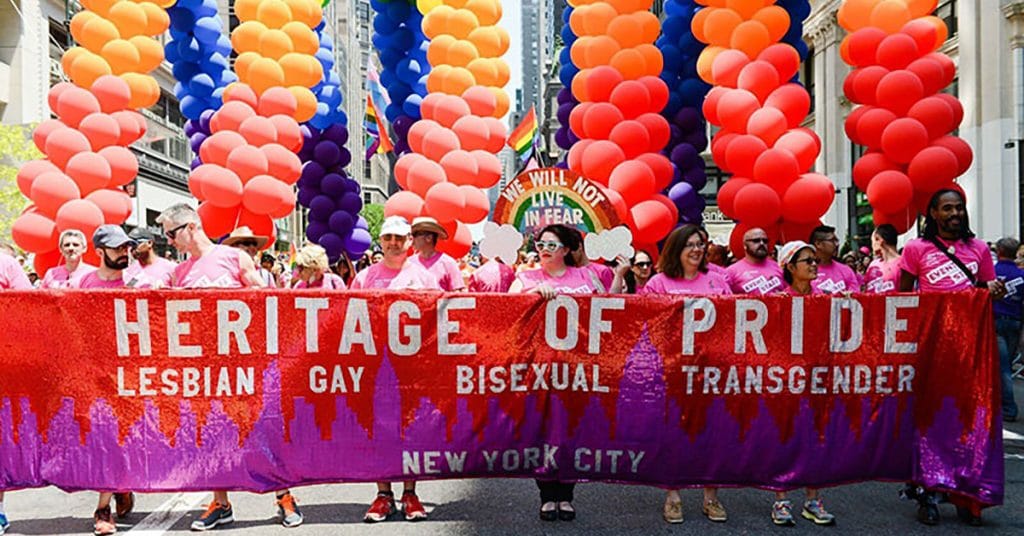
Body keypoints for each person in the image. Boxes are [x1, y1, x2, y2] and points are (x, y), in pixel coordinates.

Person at [156, 204, 303, 530]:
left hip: (245, 368)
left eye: (171, 233)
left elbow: (268, 304)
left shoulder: (233, 257)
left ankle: (283, 495)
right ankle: (220, 504)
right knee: (211, 436)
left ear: (191, 227)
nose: (169, 241)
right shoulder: (180, 274)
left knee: (264, 431)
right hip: (206, 372)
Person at [898, 188, 1005, 526]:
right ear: (933, 214)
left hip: (972, 352)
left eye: (959, 208)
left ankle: (968, 494)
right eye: (947, 208)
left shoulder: (979, 249)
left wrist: (993, 291)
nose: (955, 214)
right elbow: (904, 296)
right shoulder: (917, 249)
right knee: (931, 420)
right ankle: (927, 491)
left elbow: (987, 291)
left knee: (972, 420)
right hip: (931, 350)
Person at [509, 224, 604, 521]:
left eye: (552, 244)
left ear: (565, 249)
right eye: (541, 243)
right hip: (537, 369)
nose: (545, 249)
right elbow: (504, 312)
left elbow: (608, 311)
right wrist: (532, 295)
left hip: (576, 369)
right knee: (543, 430)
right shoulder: (524, 278)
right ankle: (547, 495)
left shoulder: (585, 276)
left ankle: (567, 495)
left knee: (571, 431)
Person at [640, 225, 730, 524]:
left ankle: (711, 497)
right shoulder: (658, 283)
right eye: (689, 244)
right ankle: (673, 494)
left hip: (711, 370)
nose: (696, 249)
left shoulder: (718, 281)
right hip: (672, 371)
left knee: (713, 435)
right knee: (673, 435)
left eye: (700, 244)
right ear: (676, 248)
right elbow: (649, 327)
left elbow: (733, 322)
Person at [350, 216, 437, 522]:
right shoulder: (364, 277)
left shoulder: (424, 277)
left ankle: (410, 493)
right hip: (376, 366)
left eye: (399, 238)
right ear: (381, 240)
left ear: (409, 241)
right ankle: (383, 494)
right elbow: (348, 318)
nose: (393, 243)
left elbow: (439, 318)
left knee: (411, 429)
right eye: (388, 237)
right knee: (379, 430)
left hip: (413, 367)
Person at [76, 225, 139, 534]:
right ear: (100, 252)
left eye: (126, 247)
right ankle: (103, 508)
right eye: (117, 249)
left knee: (126, 439)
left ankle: (120, 485)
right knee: (105, 440)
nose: (124, 252)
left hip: (134, 375)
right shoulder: (84, 283)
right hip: (97, 377)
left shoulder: (138, 282)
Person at [774, 240, 836, 525]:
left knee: (817, 439)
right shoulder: (776, 301)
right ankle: (781, 500)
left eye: (815, 260)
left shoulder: (826, 297)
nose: (814, 265)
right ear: (789, 267)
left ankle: (813, 500)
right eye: (807, 261)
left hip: (818, 379)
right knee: (785, 439)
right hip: (785, 383)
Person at [994, 237, 1022, 423]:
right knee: (1007, 365)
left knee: (1002, 368)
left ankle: (1008, 407)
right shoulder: (1021, 275)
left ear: (999, 251)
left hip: (994, 321)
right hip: (1015, 322)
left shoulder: (992, 272)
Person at [408, 217, 465, 291]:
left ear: (429, 238)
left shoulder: (448, 263)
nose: (411, 238)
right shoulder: (408, 263)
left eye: (415, 234)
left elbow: (457, 294)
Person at [724, 227, 784, 295]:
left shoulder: (777, 266)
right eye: (756, 240)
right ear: (745, 245)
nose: (761, 243)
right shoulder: (731, 272)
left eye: (765, 241)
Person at [809, 225, 860, 294]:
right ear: (818, 244)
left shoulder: (846, 270)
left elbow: (855, 297)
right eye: (832, 240)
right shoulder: (805, 271)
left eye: (837, 240)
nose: (837, 244)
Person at [863, 224, 901, 294]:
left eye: (872, 241)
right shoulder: (873, 265)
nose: (872, 245)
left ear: (879, 240)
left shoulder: (902, 265)